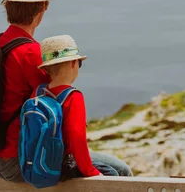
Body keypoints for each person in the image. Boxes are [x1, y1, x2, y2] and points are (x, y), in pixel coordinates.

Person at [0, 0, 55, 182]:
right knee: (116, 171)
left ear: (7, 6)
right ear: (43, 7)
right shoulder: (31, 53)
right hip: (23, 159)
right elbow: (53, 104)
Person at [36, 34, 133, 180]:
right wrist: (91, 172)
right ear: (73, 64)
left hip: (40, 161)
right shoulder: (73, 97)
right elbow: (77, 140)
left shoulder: (38, 93)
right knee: (114, 174)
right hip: (63, 164)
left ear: (47, 69)